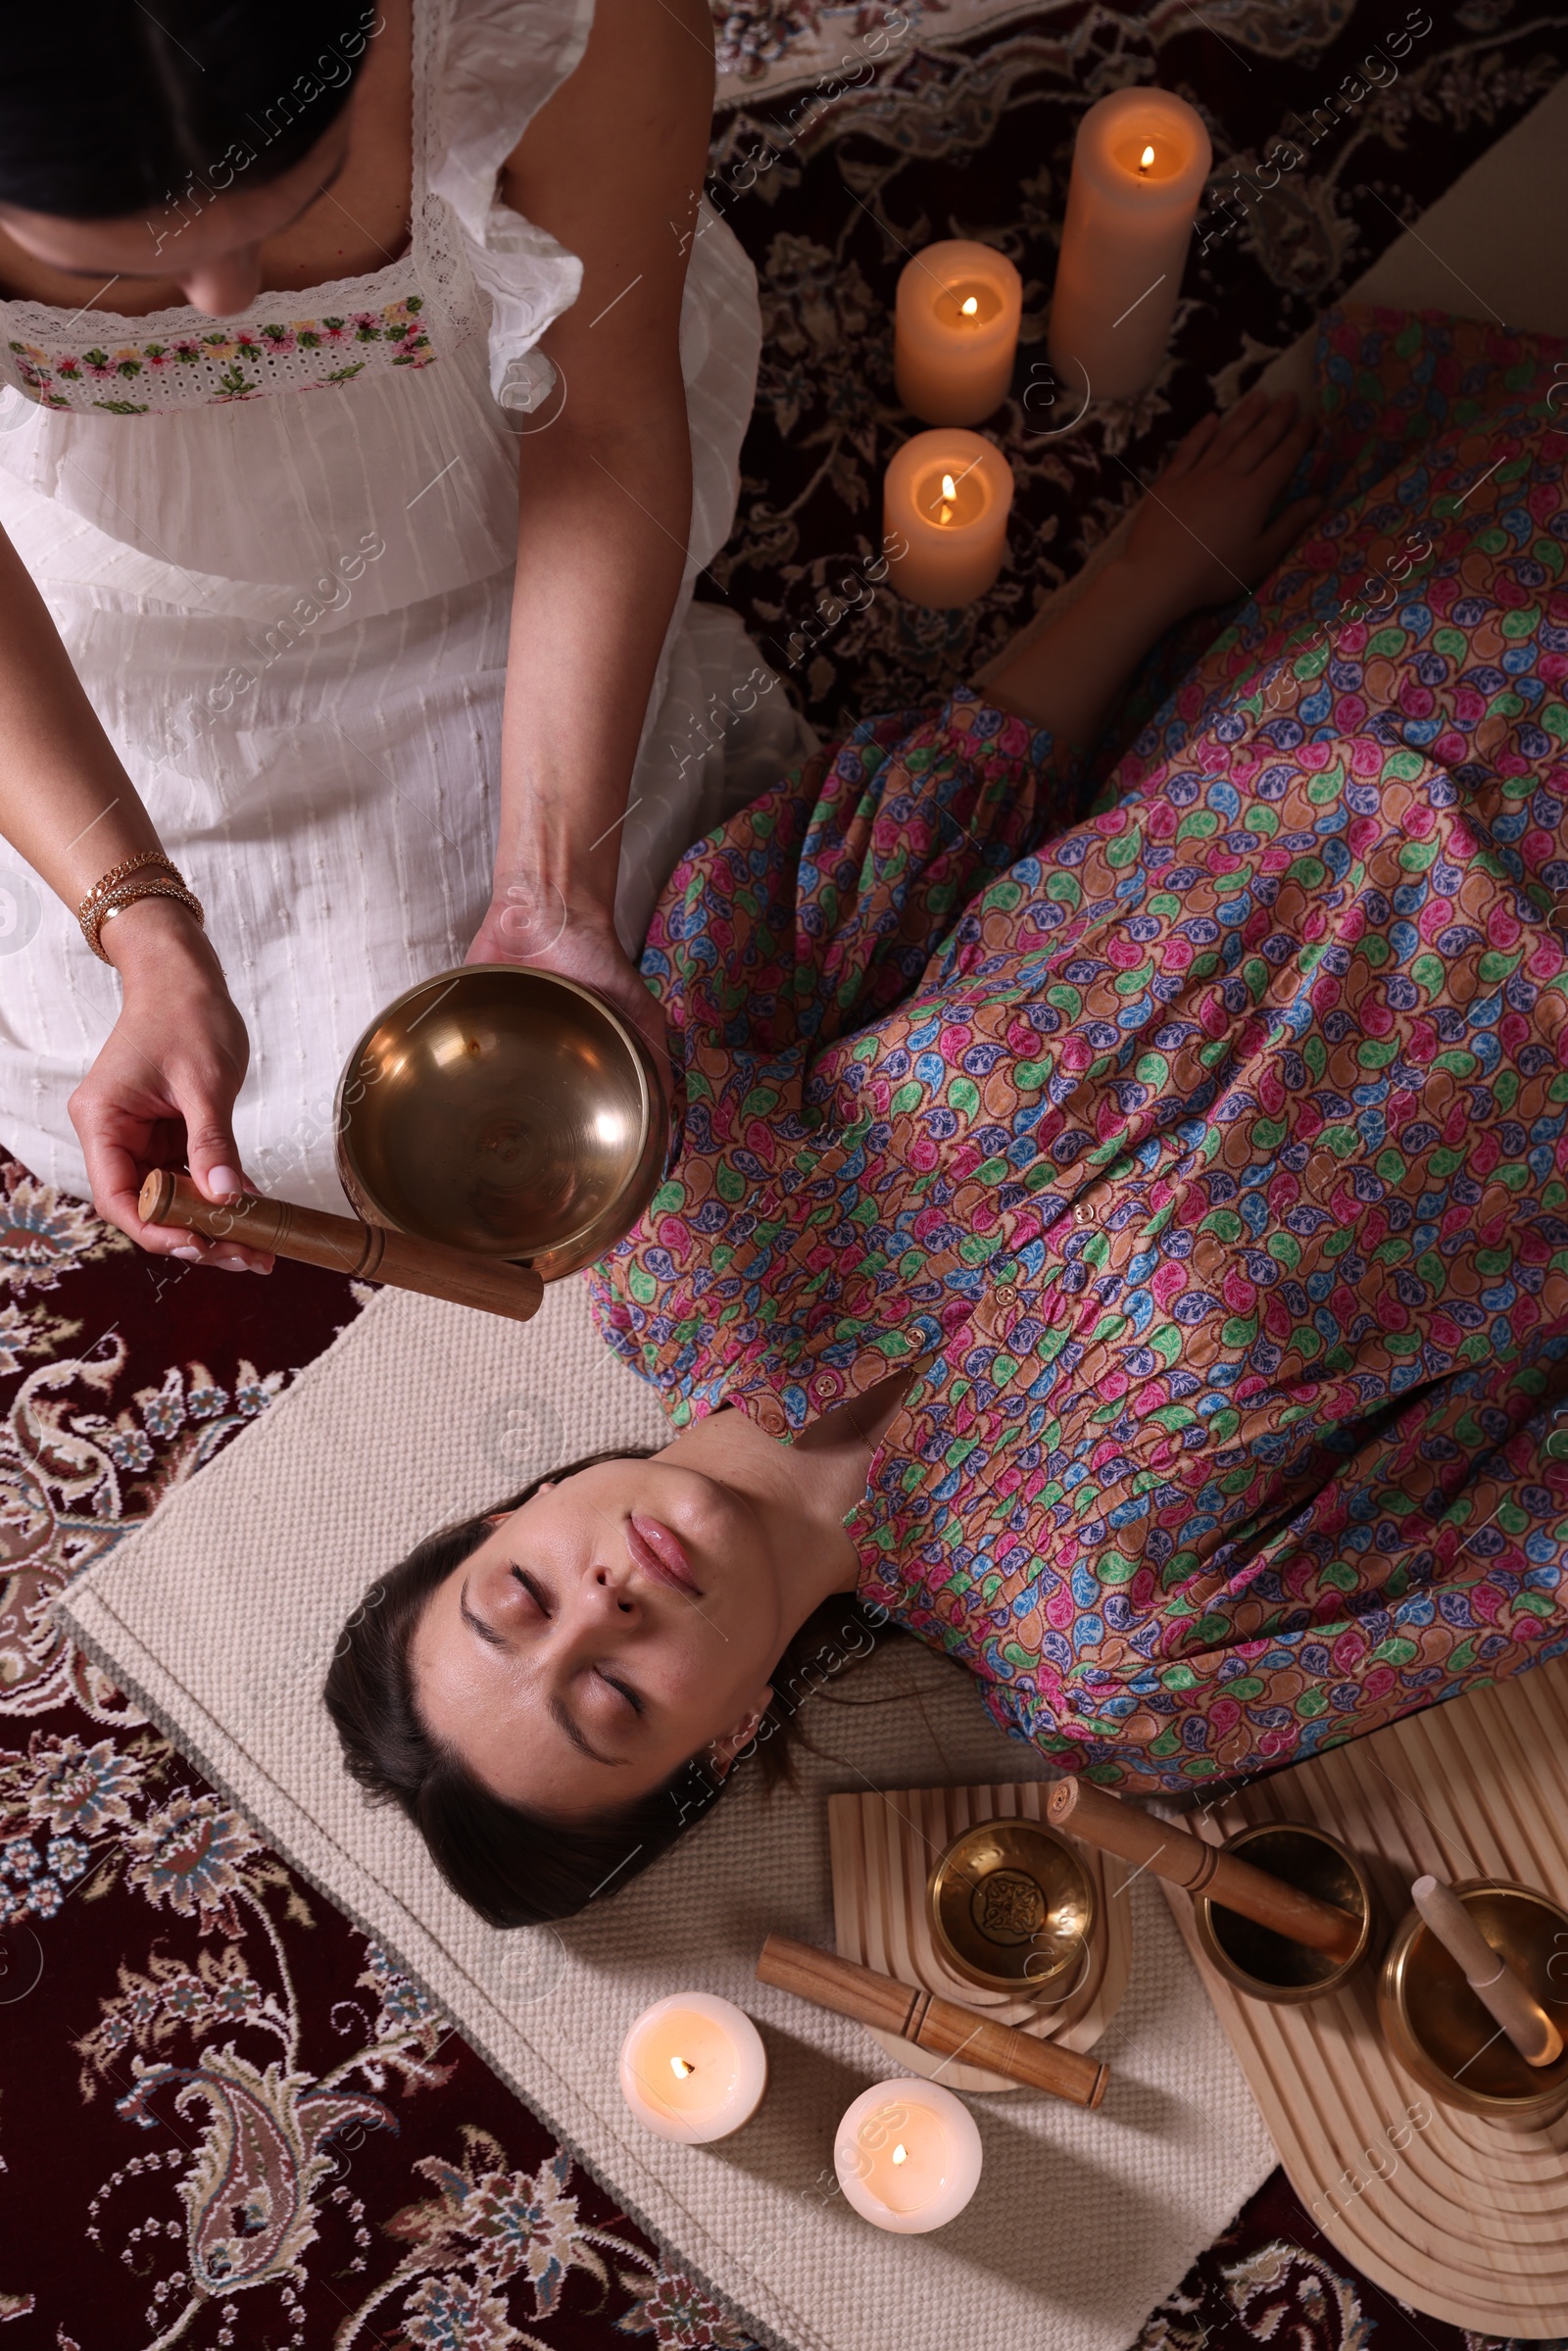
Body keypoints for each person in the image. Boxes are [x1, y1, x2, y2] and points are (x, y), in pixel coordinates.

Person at [325, 311, 1568, 1929]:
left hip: (1389, 676)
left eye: (520, 1597)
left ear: (511, 1514)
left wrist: (1143, 573)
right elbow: (1528, 1536)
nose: (604, 1604)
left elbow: (924, 817)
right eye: (612, 1701)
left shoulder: (665, 1222)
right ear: (727, 1746)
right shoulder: (1120, 1658)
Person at [0, 0, 782, 1272]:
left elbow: (600, 423)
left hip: (496, 506)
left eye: (288, 204)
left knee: (587, 979)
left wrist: (548, 891)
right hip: (109, 602)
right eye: (136, 256)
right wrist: (139, 925)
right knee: (231, 1104)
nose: (222, 298)